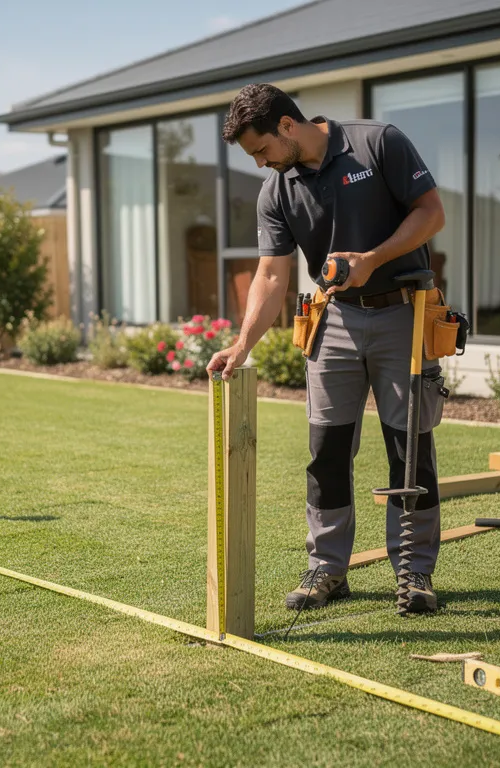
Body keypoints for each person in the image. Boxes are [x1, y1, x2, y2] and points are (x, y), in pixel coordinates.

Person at [207, 83, 448, 615]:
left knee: (410, 449)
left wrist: (372, 257)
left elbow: (431, 213)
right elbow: (271, 274)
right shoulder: (277, 191)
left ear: (287, 127)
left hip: (403, 312)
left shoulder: (376, 143)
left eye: (262, 149)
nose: (262, 162)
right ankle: (328, 568)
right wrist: (243, 343)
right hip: (332, 319)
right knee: (327, 451)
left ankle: (414, 570)